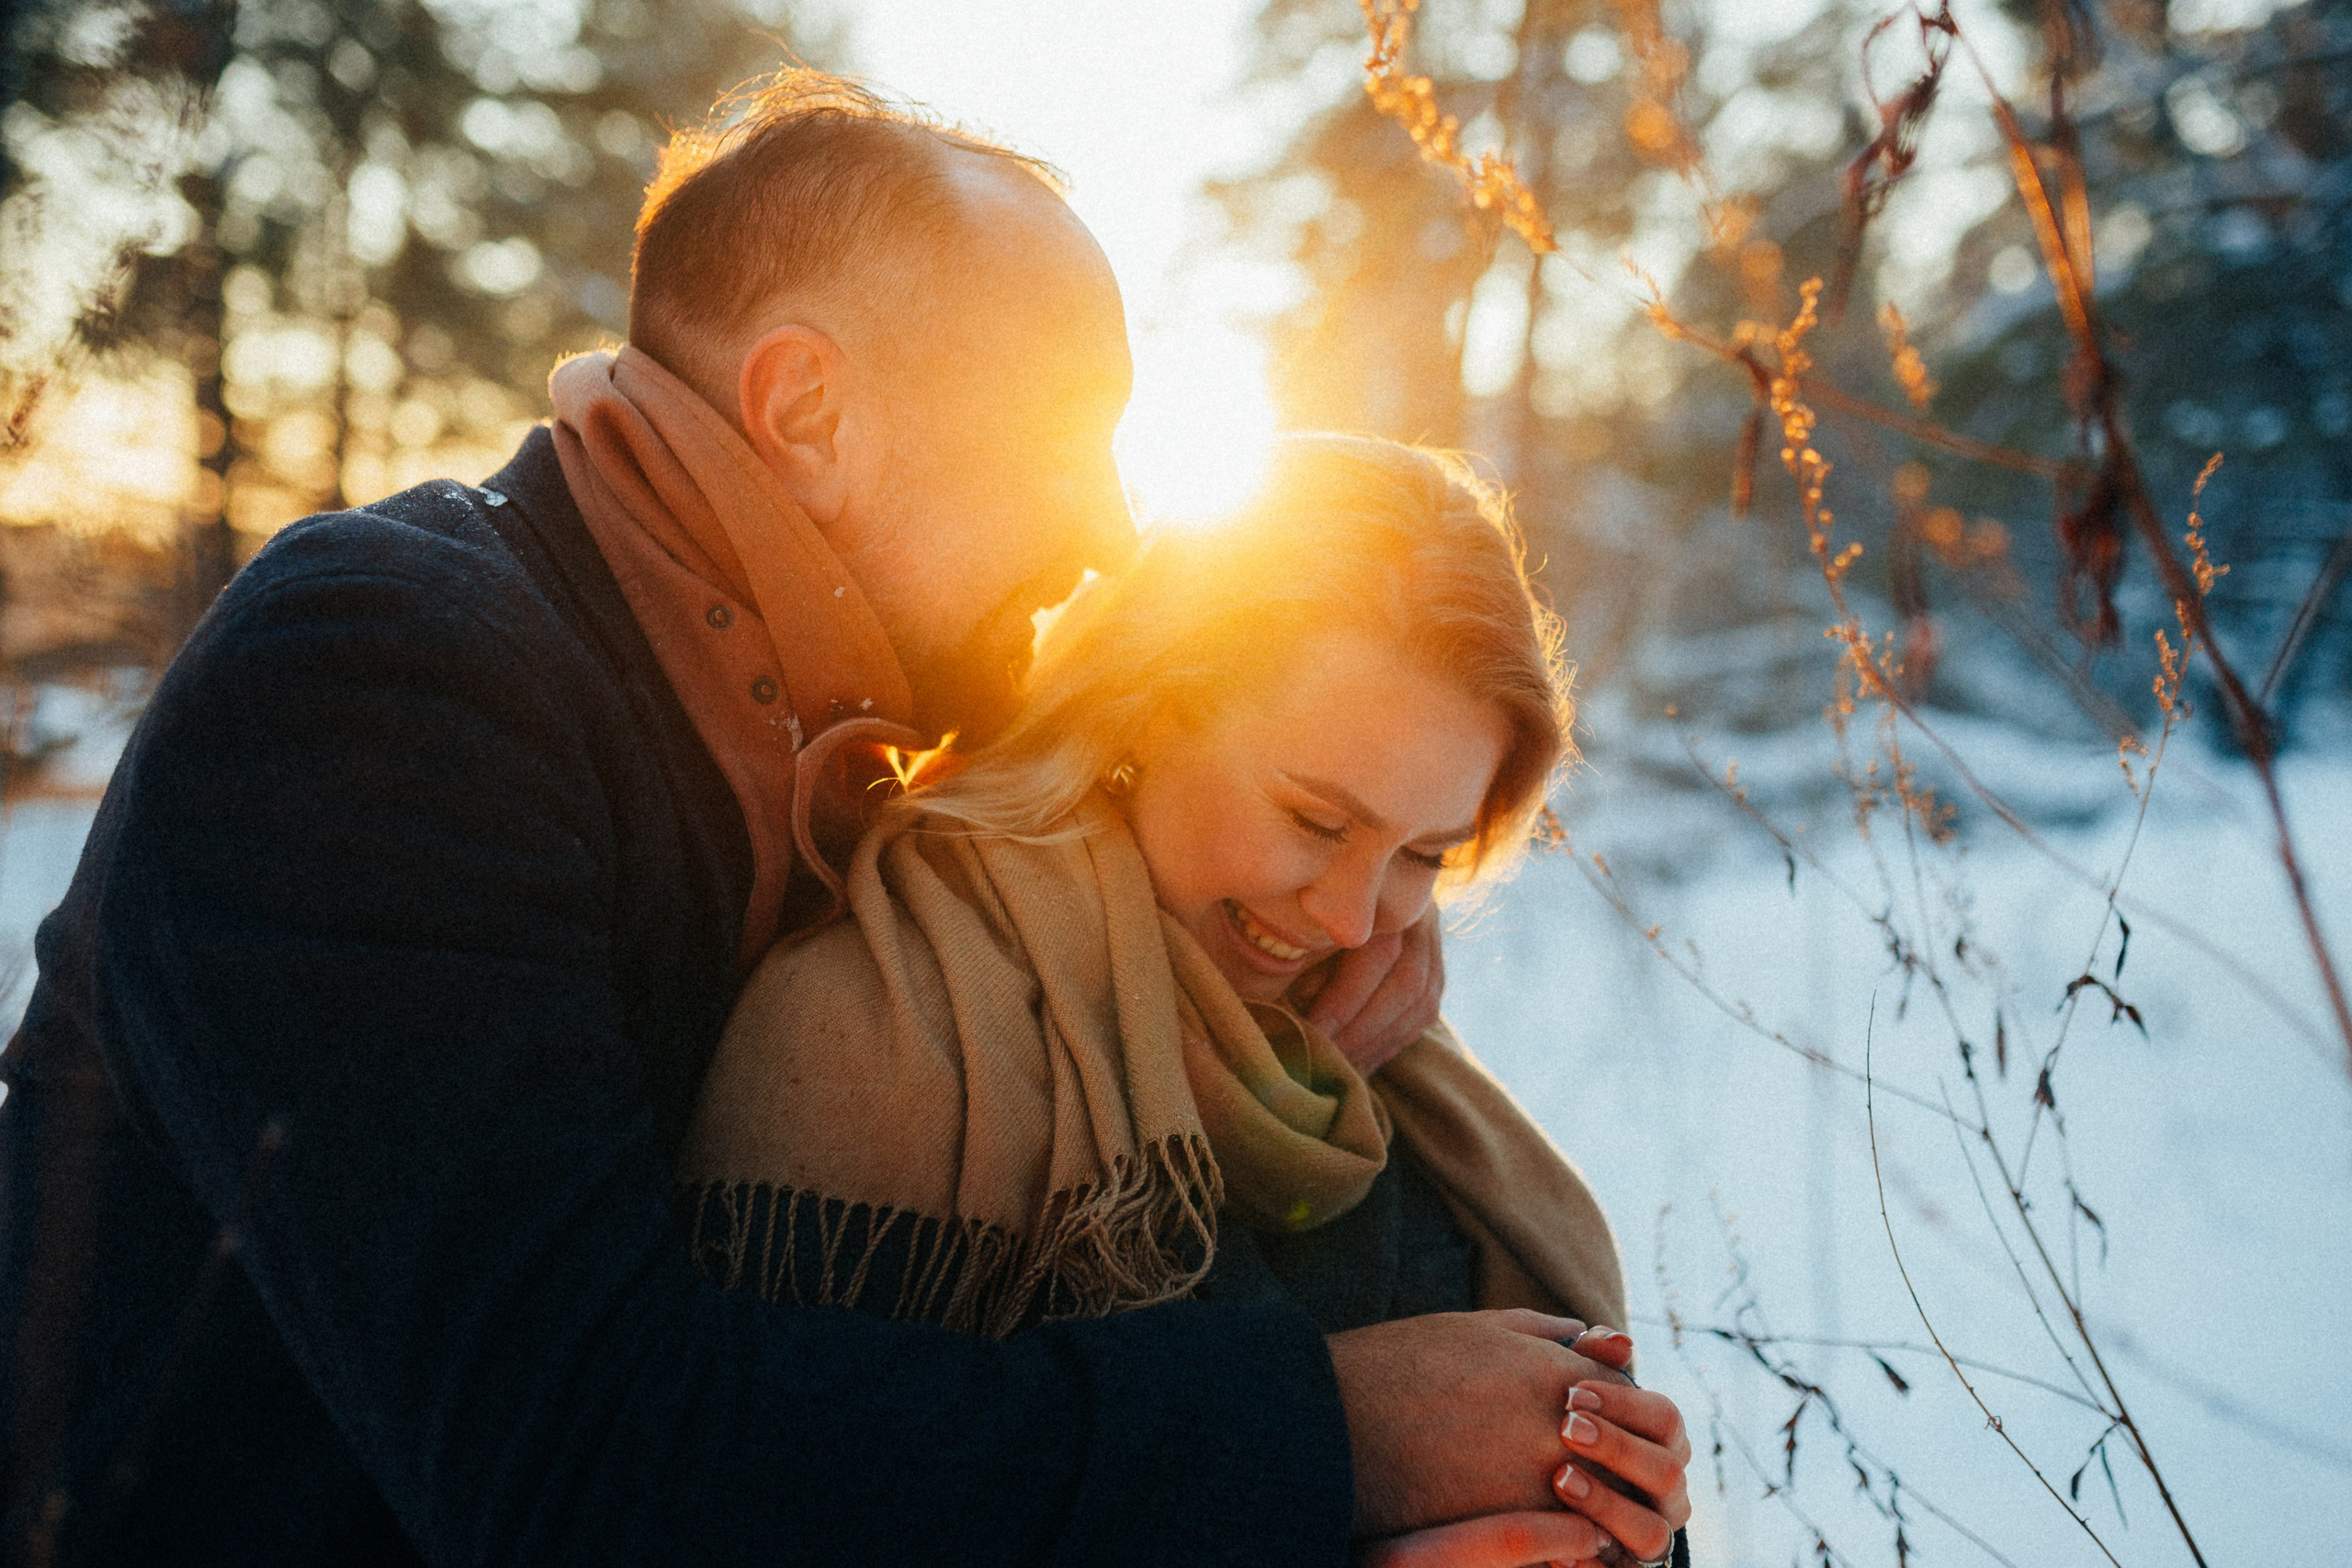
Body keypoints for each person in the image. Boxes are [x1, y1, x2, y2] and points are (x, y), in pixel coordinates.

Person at [0, 72, 1637, 1567]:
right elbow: (587, 1466)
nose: (1114, 525)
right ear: (806, 411)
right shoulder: (383, 675)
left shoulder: (858, 741)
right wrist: (1329, 1437)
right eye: (1069, 436)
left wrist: (1270, 1048)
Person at [676, 434, 1693, 1568]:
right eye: (1316, 820)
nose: (1356, 919)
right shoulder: (880, 1032)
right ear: (1147, 709)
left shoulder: (1394, 1065)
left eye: (1425, 854)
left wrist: (1623, 1518)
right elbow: (768, 1506)